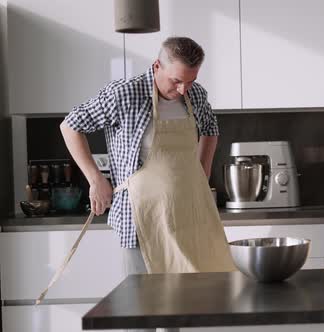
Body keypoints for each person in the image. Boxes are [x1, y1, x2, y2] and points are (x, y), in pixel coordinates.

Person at [60, 36, 236, 328]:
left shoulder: (196, 95)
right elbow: (70, 125)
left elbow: (211, 129)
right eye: (177, 81)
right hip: (140, 220)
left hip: (186, 217)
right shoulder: (125, 94)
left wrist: (200, 176)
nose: (183, 90)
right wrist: (95, 179)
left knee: (180, 307)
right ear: (157, 65)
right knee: (141, 310)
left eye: (190, 82)